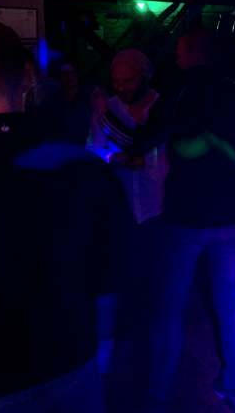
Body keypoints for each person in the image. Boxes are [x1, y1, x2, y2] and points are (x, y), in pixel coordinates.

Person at [0, 20, 133, 412]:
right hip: (69, 365)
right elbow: (110, 270)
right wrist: (105, 342)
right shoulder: (87, 170)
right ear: (29, 77)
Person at [124, 27, 235, 413]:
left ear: (192, 53)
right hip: (232, 216)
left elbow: (143, 140)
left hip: (187, 216)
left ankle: (158, 395)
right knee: (229, 300)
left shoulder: (179, 91)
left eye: (179, 52)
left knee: (171, 305)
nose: (175, 59)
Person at [89, 49, 169, 338]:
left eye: (129, 81)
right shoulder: (106, 108)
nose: (122, 87)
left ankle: (153, 328)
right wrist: (113, 158)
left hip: (156, 203)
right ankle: (128, 331)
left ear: (145, 77)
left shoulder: (161, 106)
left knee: (156, 272)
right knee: (124, 272)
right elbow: (92, 149)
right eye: (117, 81)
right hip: (121, 204)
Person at [33, 58, 95, 147]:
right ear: (58, 77)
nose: (68, 77)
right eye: (64, 74)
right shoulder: (53, 101)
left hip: (88, 147)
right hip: (61, 149)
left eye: (71, 73)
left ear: (78, 74)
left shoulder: (91, 96)